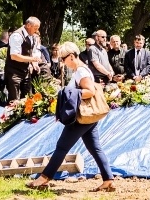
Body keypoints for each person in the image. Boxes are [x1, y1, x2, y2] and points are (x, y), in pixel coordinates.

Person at [26, 42, 115, 192]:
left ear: (71, 57)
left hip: (81, 117)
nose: (62, 62)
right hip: (89, 117)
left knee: (62, 146)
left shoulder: (81, 71)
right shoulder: (81, 70)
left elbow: (90, 91)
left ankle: (44, 178)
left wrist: (69, 93)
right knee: (95, 148)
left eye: (63, 58)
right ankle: (108, 179)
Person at [6, 17, 41, 100]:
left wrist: (34, 64)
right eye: (35, 28)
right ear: (28, 25)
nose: (36, 31)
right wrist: (32, 59)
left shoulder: (32, 37)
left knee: (28, 99)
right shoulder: (17, 36)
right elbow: (14, 56)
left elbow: (31, 52)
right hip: (14, 73)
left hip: (26, 72)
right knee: (14, 101)